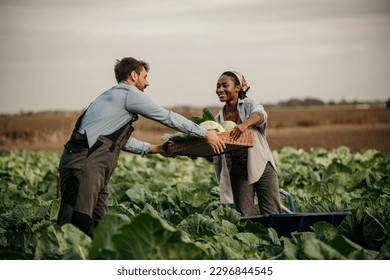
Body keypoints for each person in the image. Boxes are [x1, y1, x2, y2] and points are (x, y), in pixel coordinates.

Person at [56, 57, 226, 237]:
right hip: (84, 165)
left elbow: (113, 140)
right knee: (77, 224)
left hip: (91, 167)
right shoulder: (128, 93)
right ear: (134, 75)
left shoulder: (111, 97)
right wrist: (204, 133)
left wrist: (156, 149)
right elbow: (166, 117)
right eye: (144, 77)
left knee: (99, 226)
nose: (147, 82)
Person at [212, 70, 282, 216]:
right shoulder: (218, 119)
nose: (219, 90)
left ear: (237, 88)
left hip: (262, 164)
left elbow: (261, 114)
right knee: (245, 215)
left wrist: (245, 124)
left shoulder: (248, 104)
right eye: (218, 86)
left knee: (272, 213)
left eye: (225, 85)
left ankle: (276, 238)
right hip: (237, 168)